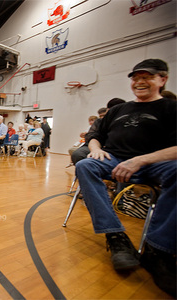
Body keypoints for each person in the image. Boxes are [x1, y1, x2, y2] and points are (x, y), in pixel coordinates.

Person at [75, 59, 176, 297]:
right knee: (85, 165)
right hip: (113, 159)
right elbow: (94, 133)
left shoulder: (171, 108)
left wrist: (141, 160)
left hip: (155, 164)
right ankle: (116, 236)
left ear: (162, 80)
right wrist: (95, 148)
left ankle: (158, 250)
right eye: (136, 77)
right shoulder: (119, 110)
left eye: (147, 77)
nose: (140, 82)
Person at [70, 98, 126, 165]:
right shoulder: (99, 122)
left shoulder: (127, 122)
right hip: (96, 145)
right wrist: (95, 147)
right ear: (108, 110)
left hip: (116, 149)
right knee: (78, 154)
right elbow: (91, 135)